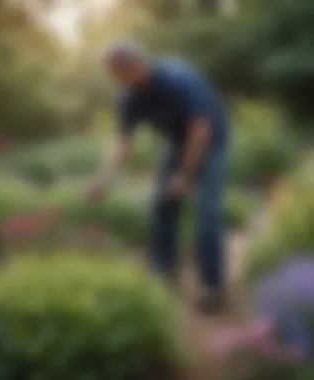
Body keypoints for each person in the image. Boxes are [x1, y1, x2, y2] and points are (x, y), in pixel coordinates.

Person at [86, 41, 228, 314]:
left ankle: (213, 286)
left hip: (210, 140)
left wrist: (184, 176)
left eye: (120, 73)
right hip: (176, 143)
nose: (119, 81)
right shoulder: (129, 96)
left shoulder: (178, 78)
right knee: (162, 203)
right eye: (114, 75)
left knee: (207, 211)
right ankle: (163, 273)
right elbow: (122, 142)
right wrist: (103, 179)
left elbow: (200, 128)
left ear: (138, 64)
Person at [212, 254, 314, 363]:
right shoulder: (277, 293)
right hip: (281, 309)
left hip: (283, 309)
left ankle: (230, 342)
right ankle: (230, 342)